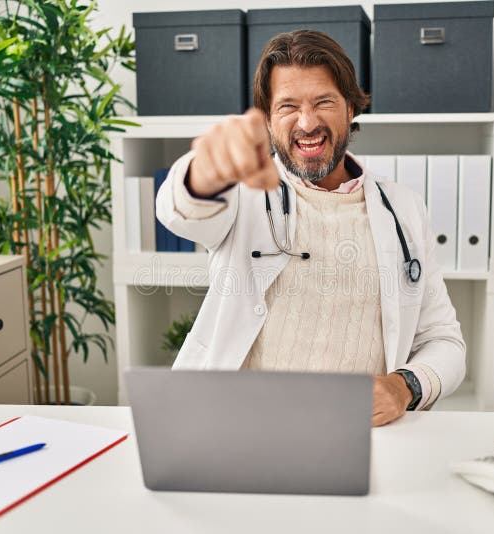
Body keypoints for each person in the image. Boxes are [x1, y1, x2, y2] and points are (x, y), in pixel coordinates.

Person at [156, 30, 465, 426]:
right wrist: (204, 171)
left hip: (357, 432)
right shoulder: (245, 192)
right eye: (287, 106)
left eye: (324, 102)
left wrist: (403, 387)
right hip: (239, 427)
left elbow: (444, 341)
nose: (307, 122)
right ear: (267, 120)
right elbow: (179, 209)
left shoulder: (403, 208)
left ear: (351, 109)